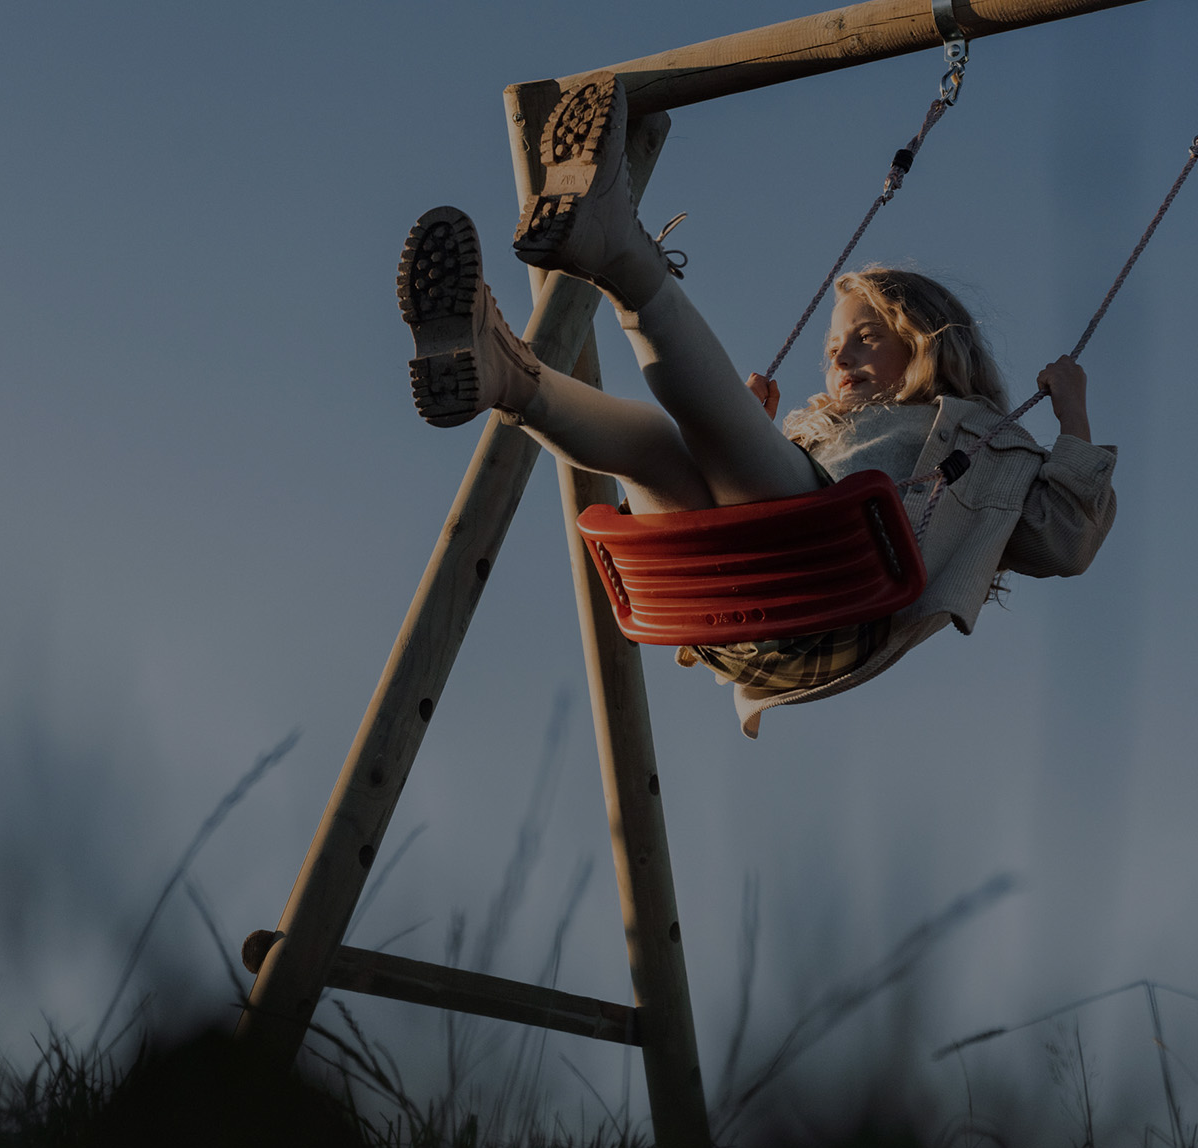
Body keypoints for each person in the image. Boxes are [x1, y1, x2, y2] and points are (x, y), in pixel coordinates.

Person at [398, 75, 1116, 737]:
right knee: (654, 443)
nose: (838, 356)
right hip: (728, 618)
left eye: (865, 339)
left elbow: (1065, 542)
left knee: (714, 430)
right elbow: (753, 473)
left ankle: (617, 253)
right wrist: (750, 437)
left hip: (832, 593)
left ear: (924, 343)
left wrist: (1072, 420)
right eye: (834, 344)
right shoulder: (811, 434)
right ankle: (507, 378)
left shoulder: (978, 440)